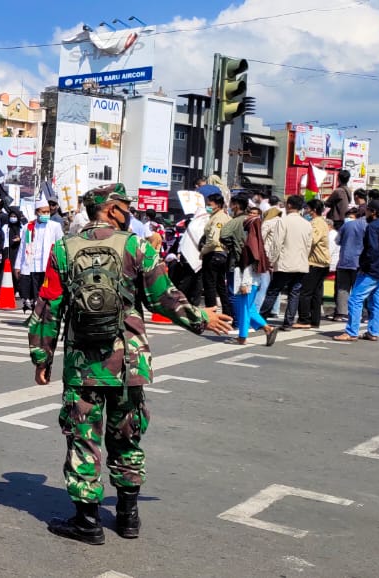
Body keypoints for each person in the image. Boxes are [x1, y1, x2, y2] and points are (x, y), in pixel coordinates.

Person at [29, 186, 232, 545]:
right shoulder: (137, 247)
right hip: (128, 362)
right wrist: (201, 318)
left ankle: (87, 522)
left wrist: (41, 357)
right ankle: (128, 517)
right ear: (109, 209)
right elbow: (163, 298)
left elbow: (49, 306)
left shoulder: (63, 248)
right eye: (124, 207)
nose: (129, 212)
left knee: (82, 439)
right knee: (127, 437)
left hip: (83, 363)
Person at [335, 200, 379, 342]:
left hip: (370, 269)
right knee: (376, 301)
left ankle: (351, 332)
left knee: (355, 299)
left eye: (368, 210)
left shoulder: (373, 227)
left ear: (374, 212)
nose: (366, 213)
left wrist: (365, 264)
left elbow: (372, 250)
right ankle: (373, 331)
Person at [225, 198, 279, 346]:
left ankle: (242, 337)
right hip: (254, 281)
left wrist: (245, 283)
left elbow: (248, 265)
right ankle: (268, 328)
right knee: (250, 309)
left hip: (248, 282)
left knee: (244, 309)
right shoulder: (257, 243)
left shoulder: (250, 245)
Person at [261, 195, 312, 328]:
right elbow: (308, 245)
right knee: (294, 293)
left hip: (284, 262)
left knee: (273, 291)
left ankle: (261, 318)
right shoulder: (307, 224)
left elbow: (277, 243)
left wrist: (271, 260)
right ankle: (288, 322)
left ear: (289, 205)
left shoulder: (282, 221)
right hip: (301, 263)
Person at [16, 200, 63, 313]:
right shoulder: (29, 227)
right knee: (32, 295)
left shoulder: (55, 226)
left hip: (47, 267)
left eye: (48, 212)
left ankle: (42, 317)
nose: (47, 214)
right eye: (44, 212)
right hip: (31, 265)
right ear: (37, 212)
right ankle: (34, 315)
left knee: (45, 295)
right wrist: (18, 265)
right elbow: (23, 247)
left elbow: (60, 245)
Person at [297, 199, 331, 328]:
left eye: (308, 208)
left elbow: (312, 240)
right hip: (322, 262)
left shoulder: (316, 223)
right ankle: (314, 320)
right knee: (316, 293)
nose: (306, 210)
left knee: (305, 292)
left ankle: (304, 319)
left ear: (314, 210)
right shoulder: (321, 222)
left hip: (315, 262)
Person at [199, 193, 233, 315]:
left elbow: (213, 240)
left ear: (218, 205)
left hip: (213, 253)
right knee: (221, 286)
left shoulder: (217, 218)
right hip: (224, 254)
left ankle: (211, 313)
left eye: (209, 204)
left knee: (210, 286)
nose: (207, 207)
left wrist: (203, 251)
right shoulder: (226, 217)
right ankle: (227, 313)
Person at [334, 207, 367, 321]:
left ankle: (341, 313)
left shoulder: (346, 226)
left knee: (342, 288)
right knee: (359, 289)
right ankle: (361, 314)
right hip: (359, 262)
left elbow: (337, 241)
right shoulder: (366, 226)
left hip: (344, 260)